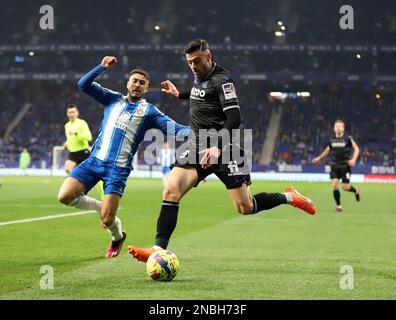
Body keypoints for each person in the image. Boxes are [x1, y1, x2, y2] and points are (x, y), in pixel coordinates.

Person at [128, 39, 316, 262]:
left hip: (227, 147)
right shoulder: (200, 76)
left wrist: (217, 146)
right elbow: (202, 93)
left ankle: (289, 197)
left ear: (209, 56)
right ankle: (158, 249)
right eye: (189, 62)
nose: (193, 66)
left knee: (245, 207)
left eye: (197, 61)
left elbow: (235, 116)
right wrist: (181, 95)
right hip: (198, 144)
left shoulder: (223, 81)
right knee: (170, 189)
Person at [57, 56, 190, 258]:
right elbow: (83, 84)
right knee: (64, 196)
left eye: (142, 83)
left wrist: (208, 129)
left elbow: (177, 131)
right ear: (128, 83)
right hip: (94, 161)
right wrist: (101, 67)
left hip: (117, 170)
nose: (137, 85)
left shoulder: (149, 112)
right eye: (134, 81)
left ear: (147, 88)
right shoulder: (113, 99)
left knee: (108, 219)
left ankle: (117, 236)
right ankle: (100, 206)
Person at [312, 119, 360, 211]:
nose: (337, 128)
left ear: (343, 128)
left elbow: (356, 149)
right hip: (334, 165)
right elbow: (327, 150)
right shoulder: (332, 139)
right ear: (334, 128)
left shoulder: (348, 138)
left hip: (345, 165)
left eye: (339, 126)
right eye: (336, 126)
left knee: (345, 187)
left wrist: (353, 159)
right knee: (334, 184)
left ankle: (356, 191)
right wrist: (318, 158)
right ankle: (339, 206)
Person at [63, 104, 105, 200]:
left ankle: (104, 195)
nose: (71, 114)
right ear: (67, 114)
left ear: (77, 113)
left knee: (95, 174)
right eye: (70, 112)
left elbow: (89, 137)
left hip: (83, 151)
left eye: (73, 112)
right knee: (68, 168)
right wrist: (66, 143)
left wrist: (77, 133)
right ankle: (79, 189)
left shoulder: (82, 123)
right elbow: (70, 138)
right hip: (73, 152)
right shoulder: (67, 125)